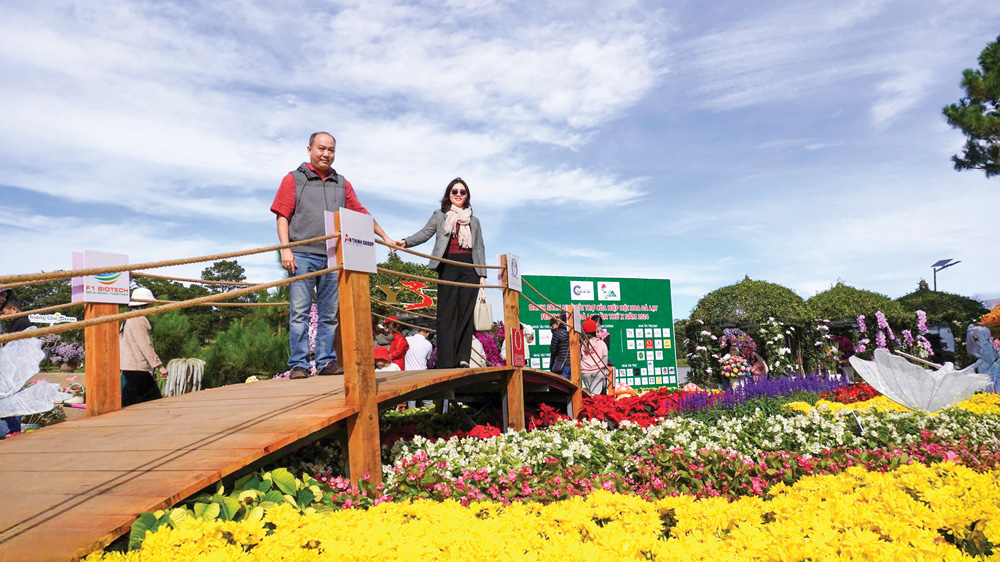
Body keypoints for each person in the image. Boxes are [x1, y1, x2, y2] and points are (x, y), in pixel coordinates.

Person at [271, 132, 398, 380]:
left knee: (329, 314)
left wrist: (385, 236)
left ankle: (327, 361)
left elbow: (360, 212)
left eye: (331, 150)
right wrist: (286, 249)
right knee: (299, 313)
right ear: (309, 149)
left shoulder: (341, 182)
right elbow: (282, 215)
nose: (326, 154)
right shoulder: (293, 179)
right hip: (302, 254)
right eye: (321, 148)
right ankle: (299, 364)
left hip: (333, 256)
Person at [397, 178, 486, 369]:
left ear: (467, 195)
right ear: (449, 194)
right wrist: (405, 242)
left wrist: (483, 274)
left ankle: (463, 358)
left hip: (470, 269)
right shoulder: (440, 216)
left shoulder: (474, 221)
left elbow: (479, 247)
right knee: (446, 314)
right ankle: (446, 360)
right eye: (455, 192)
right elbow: (425, 233)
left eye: (463, 192)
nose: (459, 195)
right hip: (447, 266)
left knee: (465, 314)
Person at [120, 287, 166, 407]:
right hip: (137, 367)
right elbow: (145, 345)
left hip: (131, 366)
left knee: (136, 399)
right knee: (152, 398)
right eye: (150, 305)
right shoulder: (138, 319)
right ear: (144, 304)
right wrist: (159, 366)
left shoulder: (128, 317)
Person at [580, 319, 609, 394]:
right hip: (598, 371)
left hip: (585, 371)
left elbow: (579, 357)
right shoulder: (601, 343)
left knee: (590, 392)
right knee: (594, 394)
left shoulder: (581, 344)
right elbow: (605, 359)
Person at [548, 313, 570, 379]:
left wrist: (551, 365)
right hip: (574, 365)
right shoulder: (574, 332)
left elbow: (553, 350)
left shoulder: (557, 333)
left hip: (563, 364)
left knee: (563, 386)